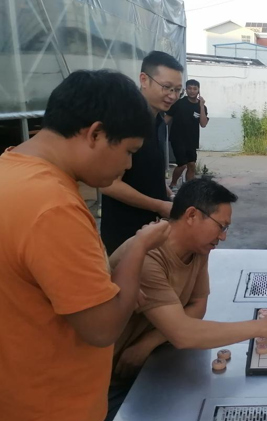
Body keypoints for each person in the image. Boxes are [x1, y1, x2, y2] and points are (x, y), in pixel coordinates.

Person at [0, 70, 171, 421]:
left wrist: (111, 286)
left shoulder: (11, 170)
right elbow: (103, 328)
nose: (128, 165)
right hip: (54, 405)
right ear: (95, 133)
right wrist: (139, 246)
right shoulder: (54, 207)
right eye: (129, 151)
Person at [106, 178, 267, 420]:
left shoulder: (197, 248)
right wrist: (260, 327)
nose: (223, 237)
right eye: (221, 226)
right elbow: (183, 334)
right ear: (191, 215)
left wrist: (149, 341)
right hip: (113, 380)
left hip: (155, 361)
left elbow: (198, 306)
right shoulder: (148, 256)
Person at [100, 51, 184, 255]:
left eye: (177, 90)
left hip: (150, 230)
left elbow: (145, 168)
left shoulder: (158, 120)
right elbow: (109, 184)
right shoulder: (125, 120)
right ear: (144, 80)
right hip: (126, 235)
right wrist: (159, 205)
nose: (172, 96)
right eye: (166, 87)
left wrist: (165, 191)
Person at [167, 79, 209, 190]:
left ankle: (188, 189)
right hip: (177, 139)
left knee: (192, 165)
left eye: (195, 88)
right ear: (186, 89)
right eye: (189, 88)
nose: (192, 91)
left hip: (192, 140)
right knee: (182, 165)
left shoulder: (201, 107)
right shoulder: (179, 103)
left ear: (198, 90)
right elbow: (166, 119)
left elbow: (203, 124)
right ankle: (173, 185)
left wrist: (201, 106)